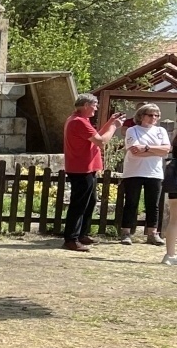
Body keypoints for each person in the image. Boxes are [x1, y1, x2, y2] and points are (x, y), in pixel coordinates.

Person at [62, 92, 121, 251]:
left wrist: (110, 122)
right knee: (79, 204)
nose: (96, 109)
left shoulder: (79, 120)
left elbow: (96, 136)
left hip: (86, 167)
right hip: (81, 169)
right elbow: (101, 142)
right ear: (86, 105)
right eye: (94, 106)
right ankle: (71, 239)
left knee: (90, 202)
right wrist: (114, 128)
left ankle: (81, 234)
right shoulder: (79, 122)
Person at [117, 104, 169, 245]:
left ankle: (152, 233)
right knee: (131, 203)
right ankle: (126, 233)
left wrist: (146, 148)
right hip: (134, 171)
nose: (154, 118)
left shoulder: (161, 131)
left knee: (153, 204)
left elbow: (166, 150)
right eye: (150, 115)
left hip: (154, 172)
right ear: (141, 116)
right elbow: (134, 150)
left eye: (156, 115)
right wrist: (155, 150)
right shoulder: (132, 130)